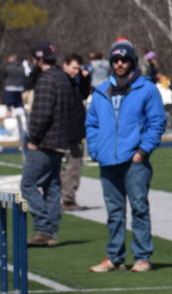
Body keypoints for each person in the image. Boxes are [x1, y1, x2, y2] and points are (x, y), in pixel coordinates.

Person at [85, 38, 166, 273]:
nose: (120, 63)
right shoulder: (101, 92)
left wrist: (143, 151)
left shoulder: (146, 88)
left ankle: (142, 257)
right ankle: (115, 257)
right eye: (116, 60)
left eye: (124, 59)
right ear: (111, 62)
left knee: (139, 208)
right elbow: (92, 124)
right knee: (114, 212)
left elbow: (157, 121)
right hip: (108, 159)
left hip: (134, 160)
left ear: (132, 61)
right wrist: (96, 150)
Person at [22, 42, 78, 248]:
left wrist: (33, 138)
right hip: (60, 141)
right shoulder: (62, 78)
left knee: (27, 184)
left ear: (39, 59)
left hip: (45, 141)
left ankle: (44, 226)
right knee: (52, 186)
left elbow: (42, 114)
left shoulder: (46, 80)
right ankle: (49, 231)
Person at [60, 53, 91, 212]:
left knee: (70, 166)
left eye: (78, 68)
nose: (76, 71)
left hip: (73, 130)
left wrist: (86, 79)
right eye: (74, 68)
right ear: (65, 65)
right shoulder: (63, 82)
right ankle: (67, 198)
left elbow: (83, 95)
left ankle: (67, 196)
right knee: (73, 166)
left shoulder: (72, 82)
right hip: (70, 131)